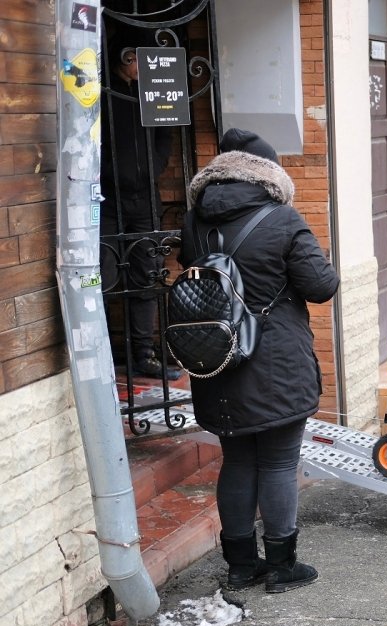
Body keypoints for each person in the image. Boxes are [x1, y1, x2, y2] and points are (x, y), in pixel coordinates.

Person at [179, 128, 340, 593]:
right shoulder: (283, 220)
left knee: (236, 461)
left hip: (218, 359)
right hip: (275, 363)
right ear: (269, 175)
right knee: (277, 463)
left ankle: (241, 565)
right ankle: (282, 565)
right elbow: (321, 285)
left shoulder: (195, 221)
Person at [100, 32, 179, 380]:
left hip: (144, 195)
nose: (143, 68)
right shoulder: (101, 94)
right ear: (126, 60)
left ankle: (143, 353)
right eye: (137, 61)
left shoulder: (152, 93)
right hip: (105, 197)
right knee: (102, 275)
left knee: (147, 274)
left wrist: (154, 166)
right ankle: (100, 352)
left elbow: (166, 132)